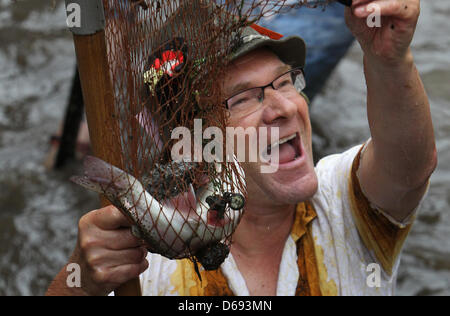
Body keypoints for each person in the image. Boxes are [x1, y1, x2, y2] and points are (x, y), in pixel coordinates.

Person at [47, 0, 436, 296]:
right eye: (244, 99)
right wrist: (78, 281)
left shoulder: (343, 201)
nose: (285, 107)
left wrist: (391, 59)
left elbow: (410, 167)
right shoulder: (145, 267)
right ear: (196, 151)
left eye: (285, 82)